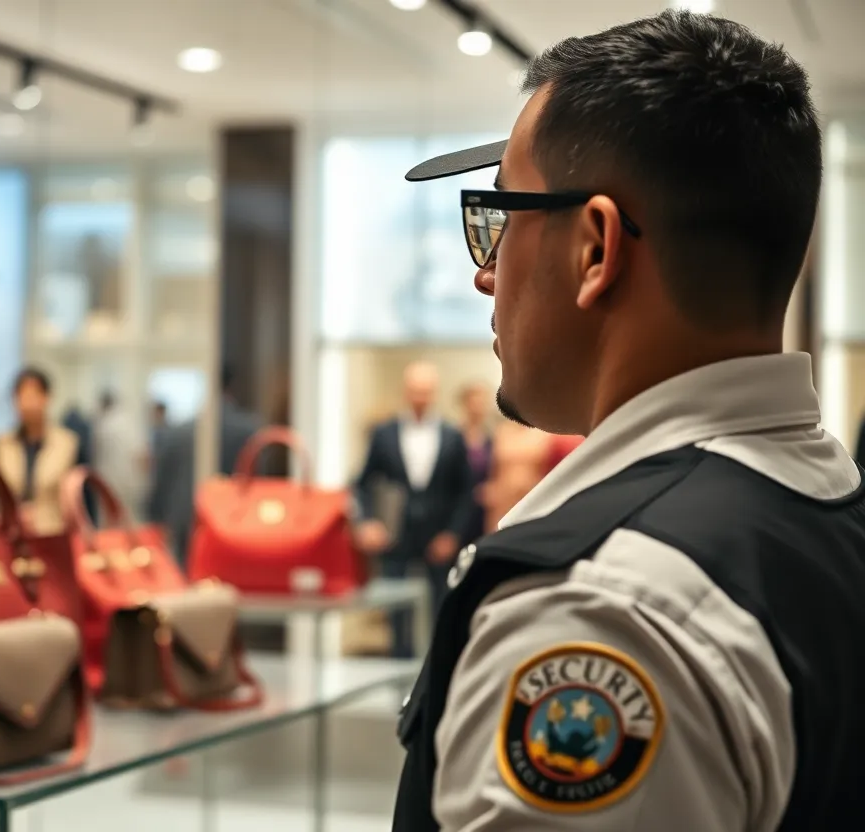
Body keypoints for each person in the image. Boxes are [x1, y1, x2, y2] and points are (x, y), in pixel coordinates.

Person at [392, 11, 860, 831]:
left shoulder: (600, 608)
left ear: (595, 249)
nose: (486, 276)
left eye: (501, 218)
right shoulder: (825, 505)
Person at [352, 362, 473, 657]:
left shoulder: (452, 435)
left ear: (434, 393)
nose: (420, 398)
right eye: (415, 391)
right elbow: (361, 483)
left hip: (437, 532)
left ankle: (436, 669)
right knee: (396, 608)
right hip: (396, 532)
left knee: (440, 606)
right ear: (405, 392)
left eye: (426, 392)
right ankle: (398, 664)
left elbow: (465, 492)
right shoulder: (384, 433)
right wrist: (368, 521)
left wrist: (452, 533)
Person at [150, 364, 262, 561]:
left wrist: (157, 516)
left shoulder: (179, 431)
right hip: (234, 519)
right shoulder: (249, 430)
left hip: (184, 515)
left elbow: (162, 481)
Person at [0, 367, 79, 533]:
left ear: (47, 397)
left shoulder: (67, 444)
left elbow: (81, 498)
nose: (27, 404)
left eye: (33, 396)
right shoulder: (1, 444)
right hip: (10, 534)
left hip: (53, 535)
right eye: (22, 397)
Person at [455, 381, 494, 545]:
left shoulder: (492, 437)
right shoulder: (453, 436)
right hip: (457, 504)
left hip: (483, 508)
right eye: (474, 403)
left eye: (482, 403)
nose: (478, 408)